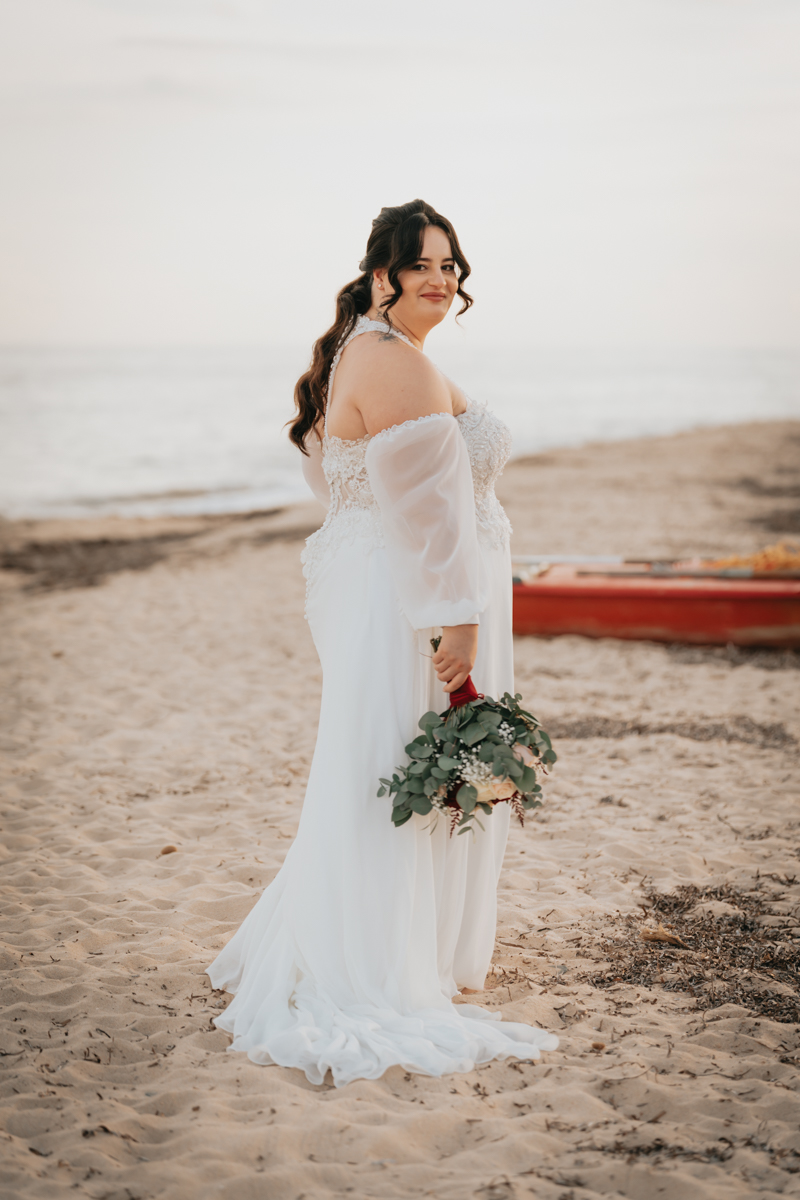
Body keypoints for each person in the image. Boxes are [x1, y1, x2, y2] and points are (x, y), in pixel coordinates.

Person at [207, 199, 558, 1086]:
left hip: (391, 592)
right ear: (383, 277)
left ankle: (394, 943)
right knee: (396, 762)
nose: (442, 279)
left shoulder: (369, 352)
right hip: (419, 600)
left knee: (381, 760)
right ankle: (383, 960)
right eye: (424, 265)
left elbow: (341, 476)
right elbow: (430, 512)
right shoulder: (393, 362)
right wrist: (458, 616)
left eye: (451, 265)